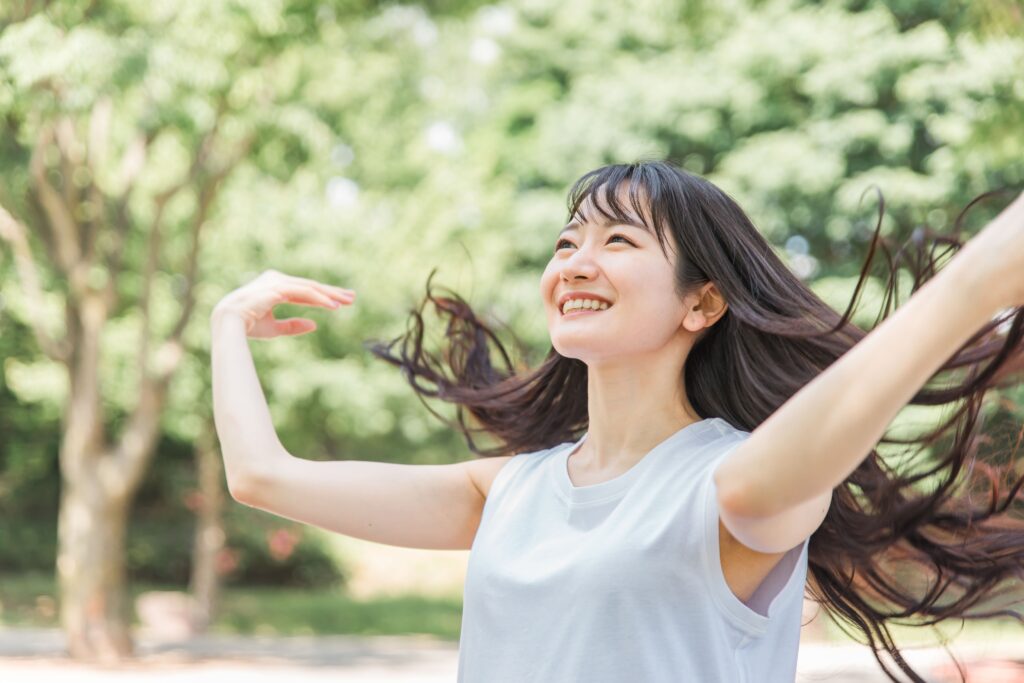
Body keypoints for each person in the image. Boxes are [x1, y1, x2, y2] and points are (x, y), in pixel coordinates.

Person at [211, 161, 1024, 682]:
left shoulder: (732, 485)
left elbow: (801, 447)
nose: (575, 262)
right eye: (567, 241)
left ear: (701, 301)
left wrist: (980, 280)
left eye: (618, 239)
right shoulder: (510, 488)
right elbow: (261, 477)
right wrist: (226, 323)